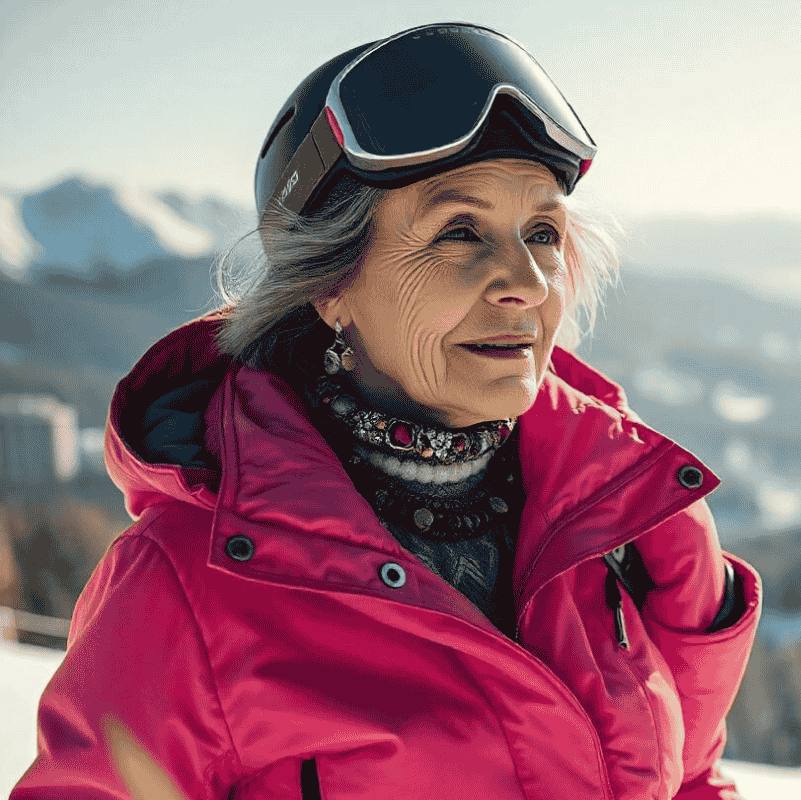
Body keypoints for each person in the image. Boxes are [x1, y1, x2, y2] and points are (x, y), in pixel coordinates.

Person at [11, 22, 761, 800]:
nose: (530, 282)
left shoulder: (632, 518)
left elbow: (693, 778)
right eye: (459, 231)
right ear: (330, 286)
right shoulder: (183, 588)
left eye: (542, 231)